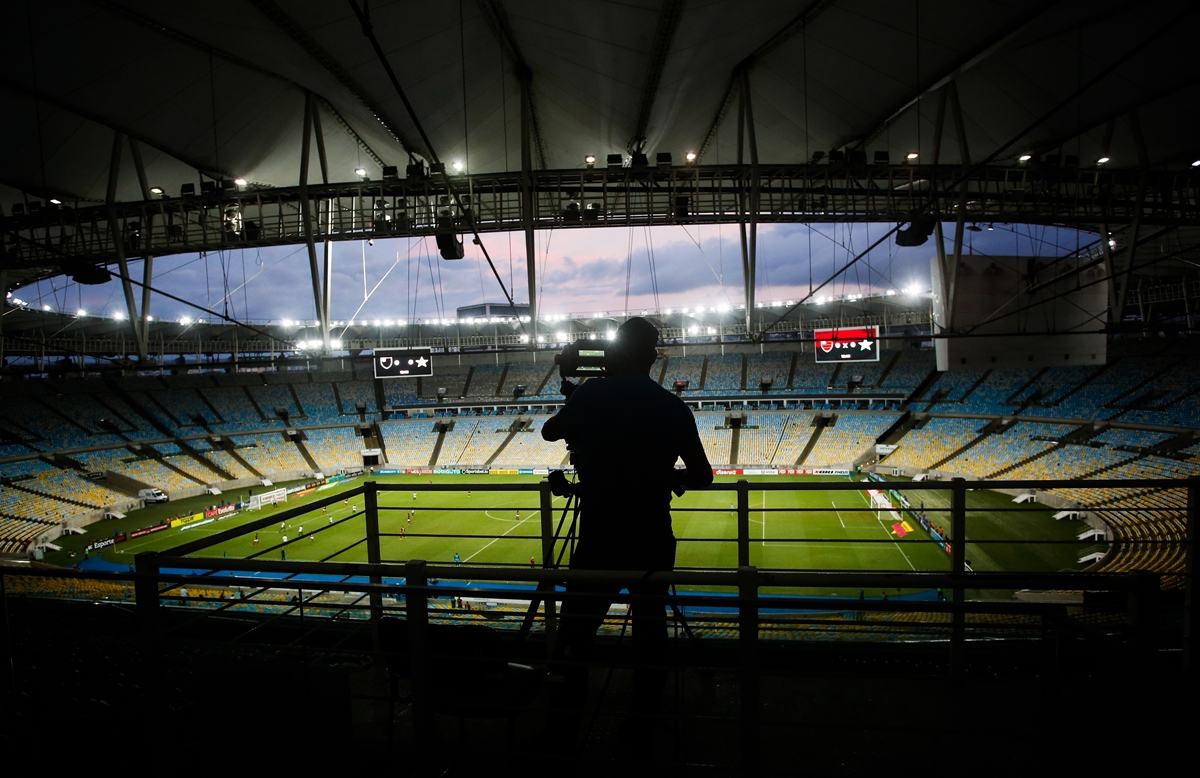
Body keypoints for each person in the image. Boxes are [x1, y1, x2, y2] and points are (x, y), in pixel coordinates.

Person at [541, 316, 712, 725]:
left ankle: (565, 723)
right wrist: (671, 478)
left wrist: (579, 396)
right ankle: (643, 723)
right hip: (653, 534)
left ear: (617, 353)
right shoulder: (672, 405)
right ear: (653, 357)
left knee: (578, 628)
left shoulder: (594, 392)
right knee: (650, 630)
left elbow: (551, 432)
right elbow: (702, 475)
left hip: (601, 534)